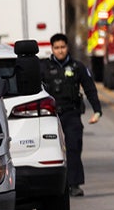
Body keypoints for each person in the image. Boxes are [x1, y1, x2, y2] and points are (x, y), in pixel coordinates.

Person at [40, 33, 103, 198]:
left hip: (71, 114)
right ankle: (55, 186)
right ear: (52, 49)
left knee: (74, 148)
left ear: (67, 47)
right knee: (51, 150)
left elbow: (90, 88)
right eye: (57, 48)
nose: (60, 51)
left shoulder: (77, 67)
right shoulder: (44, 67)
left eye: (63, 47)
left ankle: (74, 184)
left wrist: (97, 110)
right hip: (51, 116)